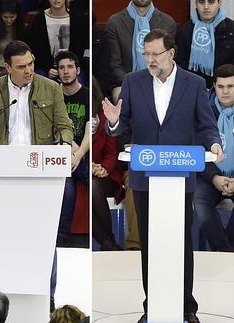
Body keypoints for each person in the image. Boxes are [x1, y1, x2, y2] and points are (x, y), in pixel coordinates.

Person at [102, 29, 223, 323]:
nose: (150, 59)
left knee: (181, 243)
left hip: (181, 176)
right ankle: (152, 305)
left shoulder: (194, 84)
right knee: (149, 243)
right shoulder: (133, 81)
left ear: (171, 53)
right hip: (145, 177)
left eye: (156, 53)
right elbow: (122, 126)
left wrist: (214, 143)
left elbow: (206, 125)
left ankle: (187, 307)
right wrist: (115, 123)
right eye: (146, 54)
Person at [0, 40, 73, 312]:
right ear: (7, 67)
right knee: (5, 235)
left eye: (31, 64)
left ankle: (46, 299)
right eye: (22, 66)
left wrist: (65, 145)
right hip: (2, 174)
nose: (28, 70)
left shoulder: (51, 88)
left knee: (44, 236)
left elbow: (64, 126)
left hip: (41, 172)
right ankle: (2, 296)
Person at [193, 63, 234, 252]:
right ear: (213, 87)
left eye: (231, 86)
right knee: (199, 199)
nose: (225, 92)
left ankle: (228, 246)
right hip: (211, 177)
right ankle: (223, 250)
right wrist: (214, 178)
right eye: (221, 86)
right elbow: (196, 150)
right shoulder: (203, 112)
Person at [106, 0, 175, 100]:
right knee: (123, 97)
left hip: (159, 81)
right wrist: (135, 84)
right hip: (124, 83)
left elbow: (167, 63)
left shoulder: (168, 23)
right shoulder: (115, 22)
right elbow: (115, 65)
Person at [55, 50, 89, 246]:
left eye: (69, 67)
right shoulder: (53, 94)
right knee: (66, 189)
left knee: (94, 185)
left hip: (83, 154)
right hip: (60, 154)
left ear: (77, 70)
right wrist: (72, 152)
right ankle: (61, 239)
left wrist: (79, 154)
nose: (65, 72)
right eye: (61, 68)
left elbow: (89, 130)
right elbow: (54, 127)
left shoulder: (87, 95)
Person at [91, 76, 124, 251]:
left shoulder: (105, 115)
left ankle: (107, 242)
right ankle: (109, 243)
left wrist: (103, 168)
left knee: (94, 187)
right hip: (79, 171)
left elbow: (112, 150)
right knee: (86, 189)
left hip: (107, 174)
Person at [176, 0, 234, 89]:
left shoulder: (231, 30)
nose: (206, 7)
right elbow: (181, 68)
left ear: (220, 3)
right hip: (193, 90)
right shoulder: (184, 32)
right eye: (201, 2)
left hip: (225, 91)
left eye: (211, 2)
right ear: (196, 3)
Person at [0, 0, 27, 78]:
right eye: (5, 17)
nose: (9, 20)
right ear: (0, 16)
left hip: (19, 67)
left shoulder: (24, 29)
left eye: (12, 17)